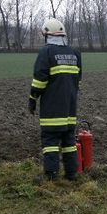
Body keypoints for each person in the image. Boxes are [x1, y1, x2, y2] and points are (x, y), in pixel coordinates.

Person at [29, 18, 82, 181]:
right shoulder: (75, 53)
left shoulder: (47, 52)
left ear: (47, 35)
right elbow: (78, 81)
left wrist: (32, 98)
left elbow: (40, 79)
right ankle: (72, 174)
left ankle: (51, 175)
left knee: (50, 140)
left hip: (52, 108)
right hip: (69, 108)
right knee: (69, 141)